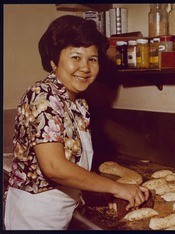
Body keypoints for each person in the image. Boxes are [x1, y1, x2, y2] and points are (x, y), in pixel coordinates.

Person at [4, 15, 149, 230]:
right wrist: (116, 188)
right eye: (75, 57)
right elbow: (54, 167)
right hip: (35, 217)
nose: (85, 67)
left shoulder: (77, 102)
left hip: (59, 211)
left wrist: (100, 192)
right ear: (54, 61)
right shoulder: (42, 96)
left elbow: (74, 162)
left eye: (92, 59)